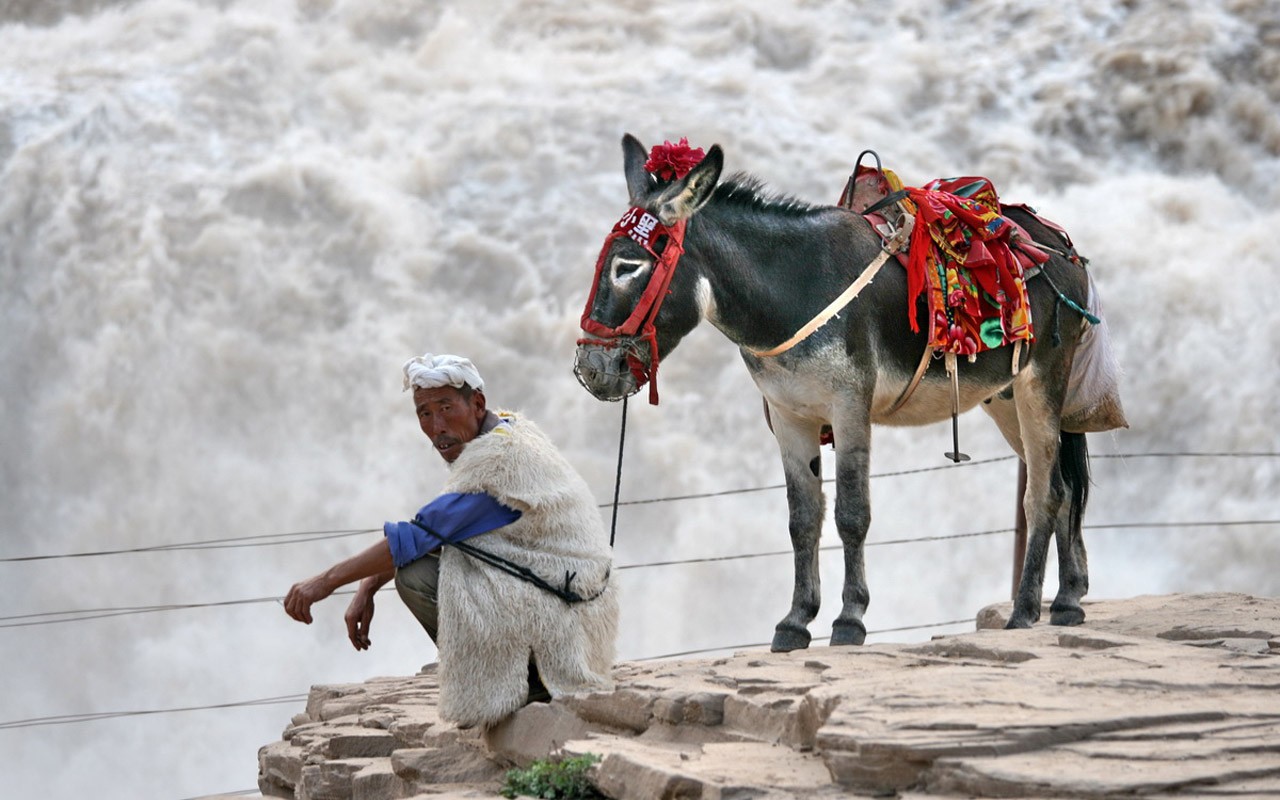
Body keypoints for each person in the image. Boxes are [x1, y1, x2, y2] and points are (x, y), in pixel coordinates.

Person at [284, 353, 618, 729]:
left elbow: (419, 537)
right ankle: (513, 671)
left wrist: (324, 583)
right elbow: (438, 530)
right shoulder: (506, 430)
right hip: (573, 600)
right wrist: (367, 587)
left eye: (446, 408)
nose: (436, 426)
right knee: (433, 560)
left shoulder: (500, 462)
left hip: (568, 616)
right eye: (424, 413)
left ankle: (521, 685)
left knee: (415, 576)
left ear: (477, 404)